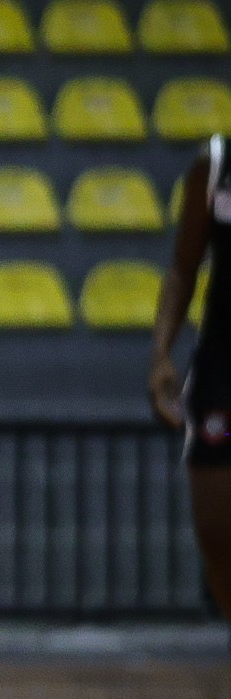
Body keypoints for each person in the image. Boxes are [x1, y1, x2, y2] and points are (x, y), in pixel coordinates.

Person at [150, 136, 231, 620]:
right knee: (218, 539)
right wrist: (161, 354)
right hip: (223, 373)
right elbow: (183, 267)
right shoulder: (216, 165)